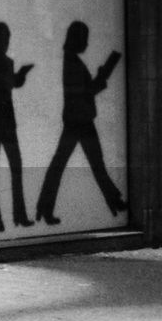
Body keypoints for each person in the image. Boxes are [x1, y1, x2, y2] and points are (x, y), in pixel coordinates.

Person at [35, 21, 127, 224]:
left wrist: (98, 80)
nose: (86, 43)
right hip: (80, 120)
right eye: (84, 39)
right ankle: (113, 201)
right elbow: (84, 93)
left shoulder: (71, 61)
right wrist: (101, 79)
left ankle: (45, 206)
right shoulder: (73, 63)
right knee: (91, 164)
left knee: (75, 163)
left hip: (77, 119)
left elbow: (81, 92)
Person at [0, 23, 34, 232]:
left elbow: (12, 85)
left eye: (7, 39)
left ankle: (18, 215)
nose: (5, 43)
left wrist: (19, 75)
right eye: (4, 38)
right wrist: (9, 80)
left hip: (4, 121)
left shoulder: (6, 62)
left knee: (15, 167)